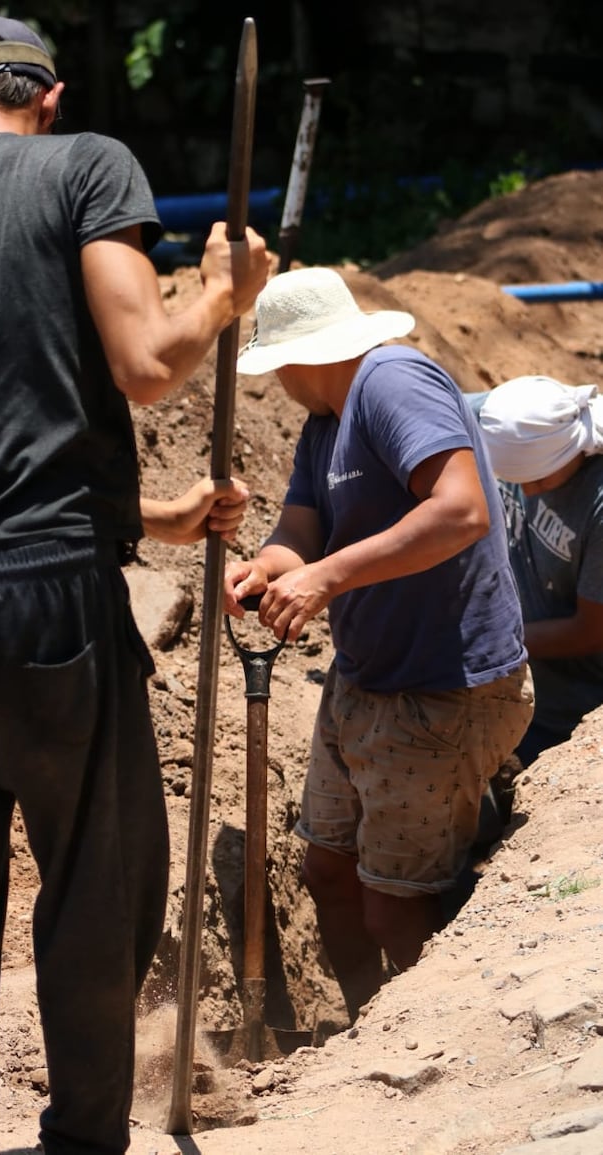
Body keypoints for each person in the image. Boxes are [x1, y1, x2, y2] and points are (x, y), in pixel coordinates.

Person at [0, 15, 269, 1155]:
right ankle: (83, 1140)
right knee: (96, 889)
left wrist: (152, 517)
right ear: (49, 96)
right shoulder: (85, 164)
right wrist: (224, 293)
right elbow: (144, 366)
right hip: (48, 611)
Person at [224, 267, 534, 1023]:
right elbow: (300, 529)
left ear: (300, 356)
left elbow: (462, 510)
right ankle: (365, 1028)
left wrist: (326, 577)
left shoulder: (392, 384)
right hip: (366, 679)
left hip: (441, 686)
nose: (275, 385)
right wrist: (267, 566)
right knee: (328, 870)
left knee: (394, 909)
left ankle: (438, 1040)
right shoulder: (325, 421)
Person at [466, 376, 603, 768]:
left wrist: (476, 642)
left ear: (571, 451)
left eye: (539, 479)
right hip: (505, 670)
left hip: (564, 708)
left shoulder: (598, 503)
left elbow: (590, 630)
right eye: (514, 479)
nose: (527, 493)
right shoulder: (508, 417)